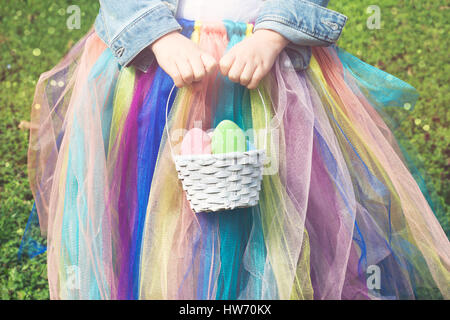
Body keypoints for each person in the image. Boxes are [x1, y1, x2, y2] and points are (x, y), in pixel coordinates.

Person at [26, 0, 450, 300]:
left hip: (267, 61)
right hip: (162, 67)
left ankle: (268, 283)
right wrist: (156, 35)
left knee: (274, 186)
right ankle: (162, 283)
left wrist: (272, 35)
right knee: (159, 192)